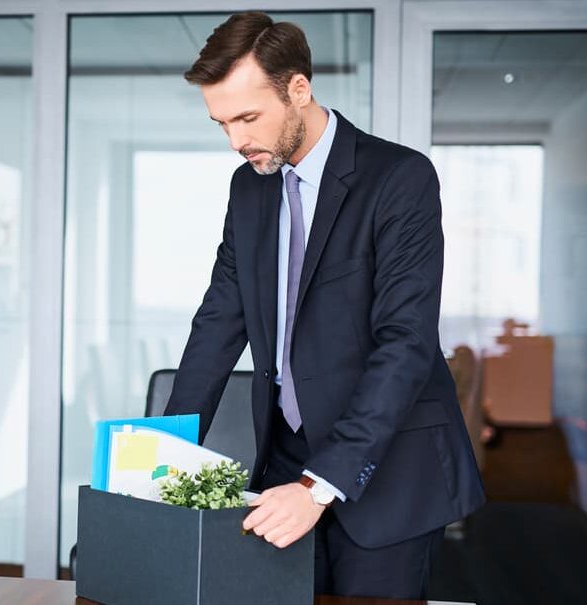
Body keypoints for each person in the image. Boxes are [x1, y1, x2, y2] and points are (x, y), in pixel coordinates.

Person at [163, 12, 485, 599]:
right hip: (284, 460)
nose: (236, 141)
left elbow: (405, 343)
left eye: (247, 117)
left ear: (298, 89)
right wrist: (162, 447)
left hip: (387, 467)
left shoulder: (399, 179)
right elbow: (217, 322)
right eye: (222, 123)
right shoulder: (249, 187)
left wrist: (320, 486)